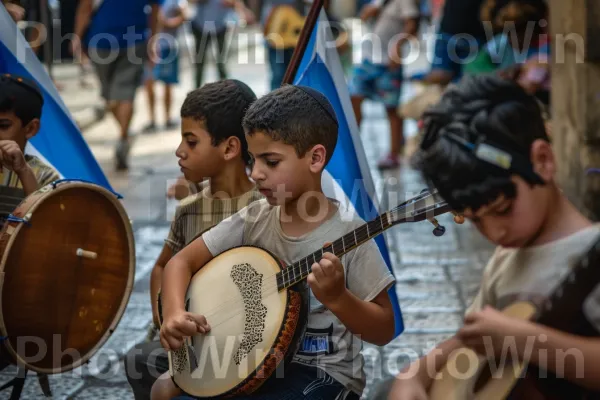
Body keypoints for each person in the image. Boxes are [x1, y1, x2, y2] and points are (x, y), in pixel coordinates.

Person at [156, 85, 396, 399]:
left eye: (270, 162)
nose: (255, 173)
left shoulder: (350, 236)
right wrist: (174, 312)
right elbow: (179, 263)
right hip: (250, 362)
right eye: (253, 159)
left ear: (315, 158)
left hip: (322, 374)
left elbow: (383, 330)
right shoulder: (255, 217)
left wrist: (339, 298)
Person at [378, 74, 600, 399]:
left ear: (542, 160)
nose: (495, 233)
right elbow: (471, 340)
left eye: (503, 208)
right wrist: (414, 375)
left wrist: (522, 338)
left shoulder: (589, 255)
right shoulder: (506, 258)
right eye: (474, 220)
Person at [124, 79, 263, 400]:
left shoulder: (262, 209)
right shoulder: (189, 210)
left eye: (191, 142)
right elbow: (162, 267)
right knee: (140, 362)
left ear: (230, 148)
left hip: (232, 340)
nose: (179, 152)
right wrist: (168, 317)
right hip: (183, 341)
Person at [72, 0, 160, 170]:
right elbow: (155, 9)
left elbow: (85, 8)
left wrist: (77, 36)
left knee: (115, 94)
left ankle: (124, 136)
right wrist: (153, 39)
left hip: (104, 40)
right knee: (119, 94)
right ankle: (124, 136)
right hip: (129, 40)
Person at [349, 0, 419, 170]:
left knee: (391, 107)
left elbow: (412, 24)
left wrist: (398, 45)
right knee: (354, 98)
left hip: (389, 62)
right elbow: (363, 18)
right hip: (367, 59)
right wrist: (369, 12)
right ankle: (351, 147)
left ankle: (394, 153)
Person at [0, 74, 60, 203]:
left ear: (31, 128)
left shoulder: (44, 176)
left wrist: (24, 172)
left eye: (3, 126)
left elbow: (43, 219)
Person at [143, 0, 186, 133]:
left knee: (167, 83)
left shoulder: (174, 2)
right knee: (149, 83)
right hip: (149, 47)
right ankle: (152, 119)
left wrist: (166, 22)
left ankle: (167, 118)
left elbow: (184, 14)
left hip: (168, 46)